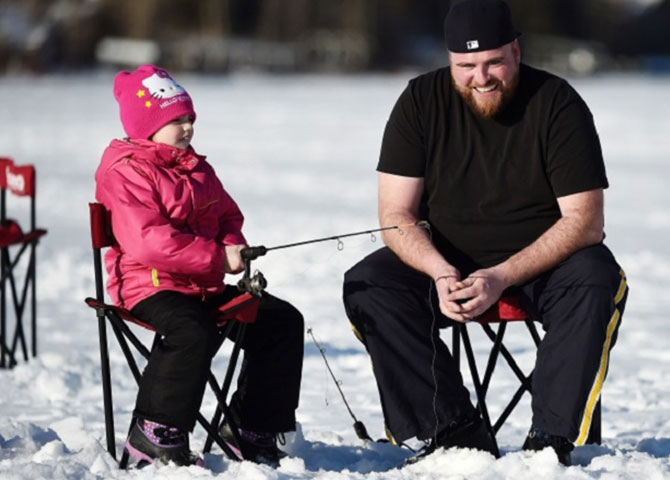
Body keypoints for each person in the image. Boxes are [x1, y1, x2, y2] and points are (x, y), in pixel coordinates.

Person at [342, 0, 628, 467]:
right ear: (449, 60)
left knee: (596, 278)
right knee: (369, 285)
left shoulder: (557, 102)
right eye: (466, 65)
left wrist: (501, 275)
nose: (481, 77)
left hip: (542, 262)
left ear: (516, 50)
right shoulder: (419, 100)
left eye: (493, 61)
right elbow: (396, 214)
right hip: (448, 261)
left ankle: (549, 442)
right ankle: (452, 433)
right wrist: (438, 270)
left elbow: (584, 221)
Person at [95, 64, 304, 468]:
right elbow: (148, 241)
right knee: (191, 329)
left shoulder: (195, 166)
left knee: (281, 320)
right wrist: (214, 258)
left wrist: (233, 248)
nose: (187, 127)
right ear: (146, 126)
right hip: (147, 285)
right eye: (176, 120)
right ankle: (155, 432)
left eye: (189, 118)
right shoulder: (125, 171)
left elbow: (227, 216)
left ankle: (250, 427)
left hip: (200, 285)